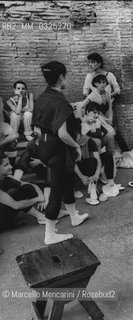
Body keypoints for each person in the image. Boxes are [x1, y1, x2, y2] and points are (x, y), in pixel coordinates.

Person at [32, 61, 89, 245]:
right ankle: (50, 234)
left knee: (67, 180)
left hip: (45, 147)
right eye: (66, 76)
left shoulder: (42, 97)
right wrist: (77, 146)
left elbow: (37, 130)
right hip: (58, 149)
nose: (67, 79)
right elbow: (63, 134)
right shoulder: (60, 102)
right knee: (56, 189)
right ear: (61, 77)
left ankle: (74, 216)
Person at [0, 153, 48, 231]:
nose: (11, 167)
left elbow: (31, 185)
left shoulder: (6, 177)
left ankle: (47, 211)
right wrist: (37, 199)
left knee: (26, 187)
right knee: (14, 193)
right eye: (6, 165)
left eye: (9, 164)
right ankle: (40, 216)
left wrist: (41, 197)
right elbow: (15, 205)